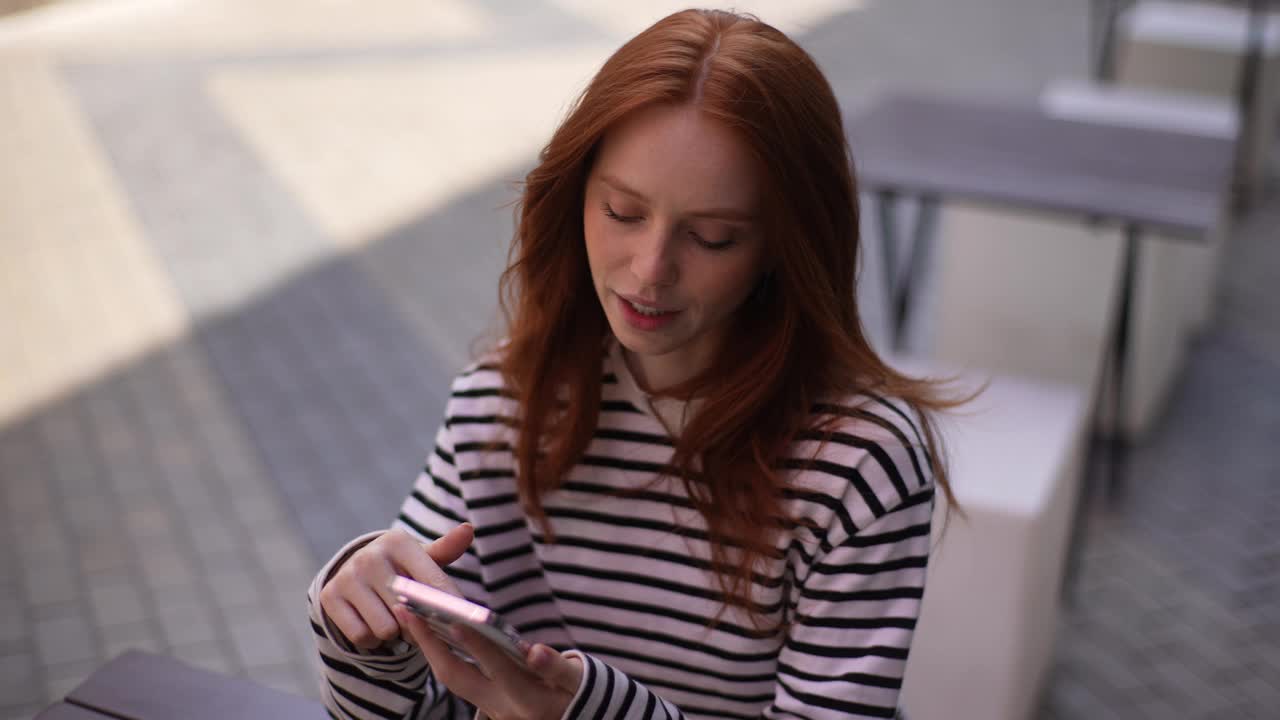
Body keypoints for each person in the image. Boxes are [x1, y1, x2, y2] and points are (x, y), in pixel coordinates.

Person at [308, 8, 963, 720]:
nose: (651, 271)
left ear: (786, 244)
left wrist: (588, 712)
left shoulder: (859, 464)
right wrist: (363, 629)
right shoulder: (501, 405)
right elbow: (421, 707)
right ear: (574, 196)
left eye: (713, 237)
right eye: (622, 213)